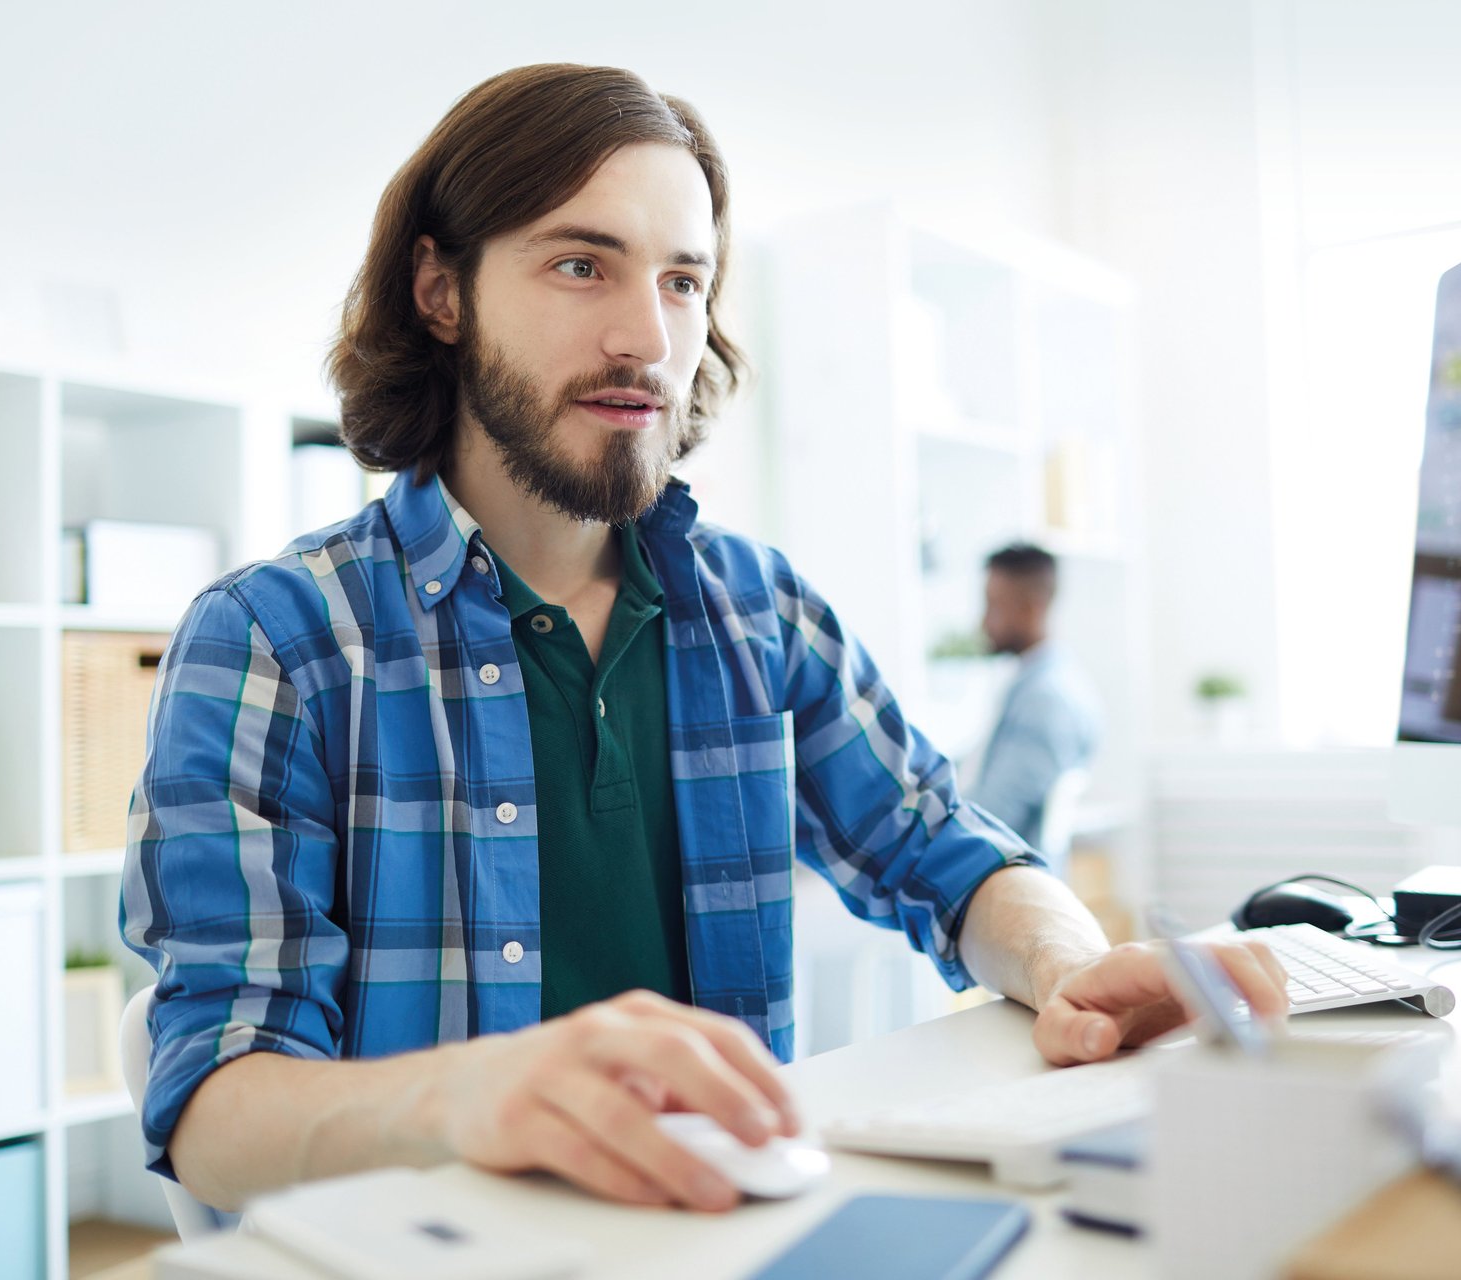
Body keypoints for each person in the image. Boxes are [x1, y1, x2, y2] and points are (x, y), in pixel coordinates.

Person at [121, 63, 1285, 1218]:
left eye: (684, 280)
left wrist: (1068, 963)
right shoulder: (273, 639)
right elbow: (213, 1106)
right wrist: (467, 1095)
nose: (647, 336)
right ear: (441, 290)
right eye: (582, 264)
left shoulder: (757, 607)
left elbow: (943, 846)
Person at [968, 544, 1102, 858]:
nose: (983, 623)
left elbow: (994, 819)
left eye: (992, 606)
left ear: (1031, 608)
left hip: (1010, 887)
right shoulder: (1058, 681)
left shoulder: (1045, 701)